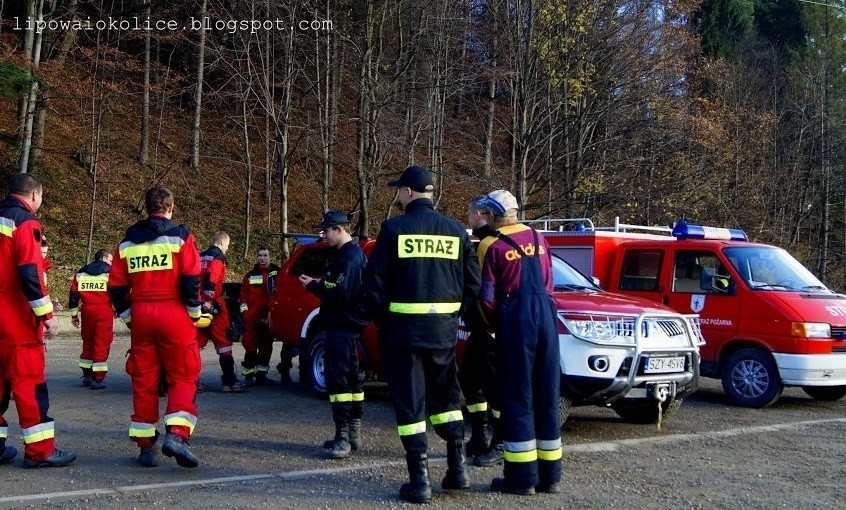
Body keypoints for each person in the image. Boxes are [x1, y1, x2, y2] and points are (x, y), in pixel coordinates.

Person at [357, 165, 481, 504]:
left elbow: (374, 285)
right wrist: (450, 313)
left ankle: (420, 481)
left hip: (402, 335)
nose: (398, 194)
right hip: (442, 334)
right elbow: (473, 285)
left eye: (399, 190)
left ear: (409, 192)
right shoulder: (456, 231)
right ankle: (458, 471)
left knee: (411, 406)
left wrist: (380, 319)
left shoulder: (394, 229)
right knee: (447, 401)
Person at [109, 186, 203, 468]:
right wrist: (195, 313)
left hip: (142, 315)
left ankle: (146, 446)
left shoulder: (126, 244)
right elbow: (191, 280)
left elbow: (115, 286)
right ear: (171, 207)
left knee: (144, 379)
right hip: (173, 312)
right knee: (183, 374)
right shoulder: (181, 237)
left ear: (147, 208)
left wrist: (128, 316)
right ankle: (177, 434)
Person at [475, 189, 562, 496]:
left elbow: (487, 297)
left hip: (515, 317)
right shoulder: (539, 238)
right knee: (546, 393)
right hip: (546, 314)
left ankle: (521, 478)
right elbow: (549, 281)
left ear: (491, 215)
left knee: (517, 395)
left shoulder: (491, 245)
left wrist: (494, 326)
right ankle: (550, 475)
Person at [0, 173, 76, 468]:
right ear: (34, 196)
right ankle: (40, 451)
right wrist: (47, 316)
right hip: (15, 315)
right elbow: (30, 273)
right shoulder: (25, 222)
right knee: (28, 383)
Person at [300, 210, 368, 459]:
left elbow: (340, 293)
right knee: (352, 378)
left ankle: (344, 437)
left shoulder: (349, 258)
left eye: (326, 231)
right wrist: (320, 284)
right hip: (344, 326)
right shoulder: (344, 255)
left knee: (339, 380)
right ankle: (352, 434)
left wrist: (314, 286)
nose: (324, 235)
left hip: (343, 326)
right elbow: (335, 286)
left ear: (339, 229)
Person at [461, 196, 502, 467]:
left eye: (469, 213)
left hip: (491, 329)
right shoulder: (483, 242)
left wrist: (490, 326)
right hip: (479, 328)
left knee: (494, 389)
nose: (468, 217)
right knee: (470, 381)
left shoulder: (491, 245)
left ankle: (499, 442)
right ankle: (478, 435)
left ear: (480, 214)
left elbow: (484, 289)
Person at [197, 232, 247, 393]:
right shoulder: (218, 257)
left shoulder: (200, 257)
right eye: (227, 244)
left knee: (195, 344)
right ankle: (229, 381)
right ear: (221, 243)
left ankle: (192, 381)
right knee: (224, 343)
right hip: (213, 305)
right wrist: (209, 299)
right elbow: (212, 277)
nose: (228, 247)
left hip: (197, 306)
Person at [67, 249, 115, 390]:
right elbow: (117, 292)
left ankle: (87, 375)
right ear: (104, 257)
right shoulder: (110, 272)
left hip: (87, 310)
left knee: (88, 341)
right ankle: (98, 379)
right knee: (102, 342)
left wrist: (74, 315)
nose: (111, 262)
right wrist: (119, 308)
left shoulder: (82, 272)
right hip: (104, 310)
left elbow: (73, 296)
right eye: (110, 259)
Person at [239, 246, 283, 386]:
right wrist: (245, 314)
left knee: (266, 347)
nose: (262, 258)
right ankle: (248, 376)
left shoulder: (278, 273)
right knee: (250, 346)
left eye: (265, 255)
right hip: (252, 318)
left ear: (270, 257)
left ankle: (261, 376)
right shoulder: (250, 275)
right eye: (260, 255)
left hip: (269, 318)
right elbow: (243, 297)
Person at [40, 236, 63, 312]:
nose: (42, 255)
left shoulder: (44, 265)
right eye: (40, 252)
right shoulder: (34, 266)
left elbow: (44, 284)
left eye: (44, 252)